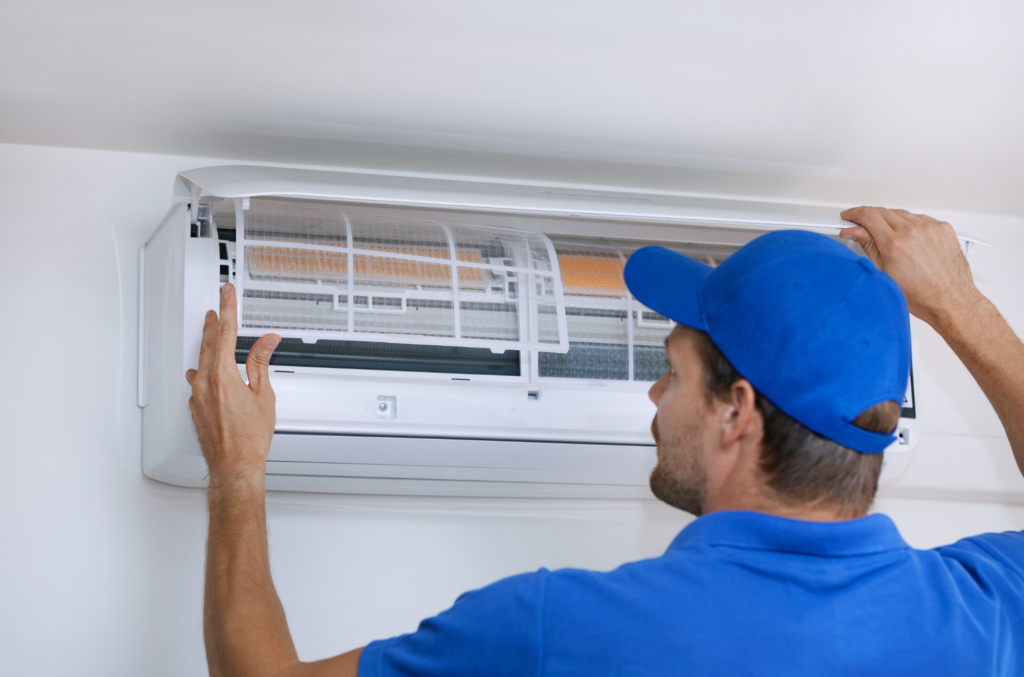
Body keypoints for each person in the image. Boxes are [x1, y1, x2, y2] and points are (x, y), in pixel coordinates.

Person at [186, 207, 1024, 676]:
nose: (655, 395)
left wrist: (236, 473)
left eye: (672, 371)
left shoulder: (562, 629)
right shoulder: (980, 616)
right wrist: (961, 305)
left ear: (738, 411)